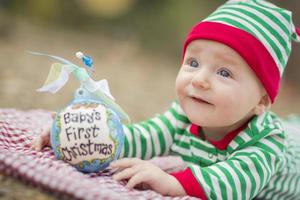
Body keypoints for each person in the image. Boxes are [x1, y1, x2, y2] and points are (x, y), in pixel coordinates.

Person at [31, 0, 300, 199]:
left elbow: (236, 182)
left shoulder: (266, 141)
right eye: (193, 62)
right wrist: (87, 136)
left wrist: (175, 183)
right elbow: (146, 136)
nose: (199, 80)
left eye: (224, 72)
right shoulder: (181, 118)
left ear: (262, 100)